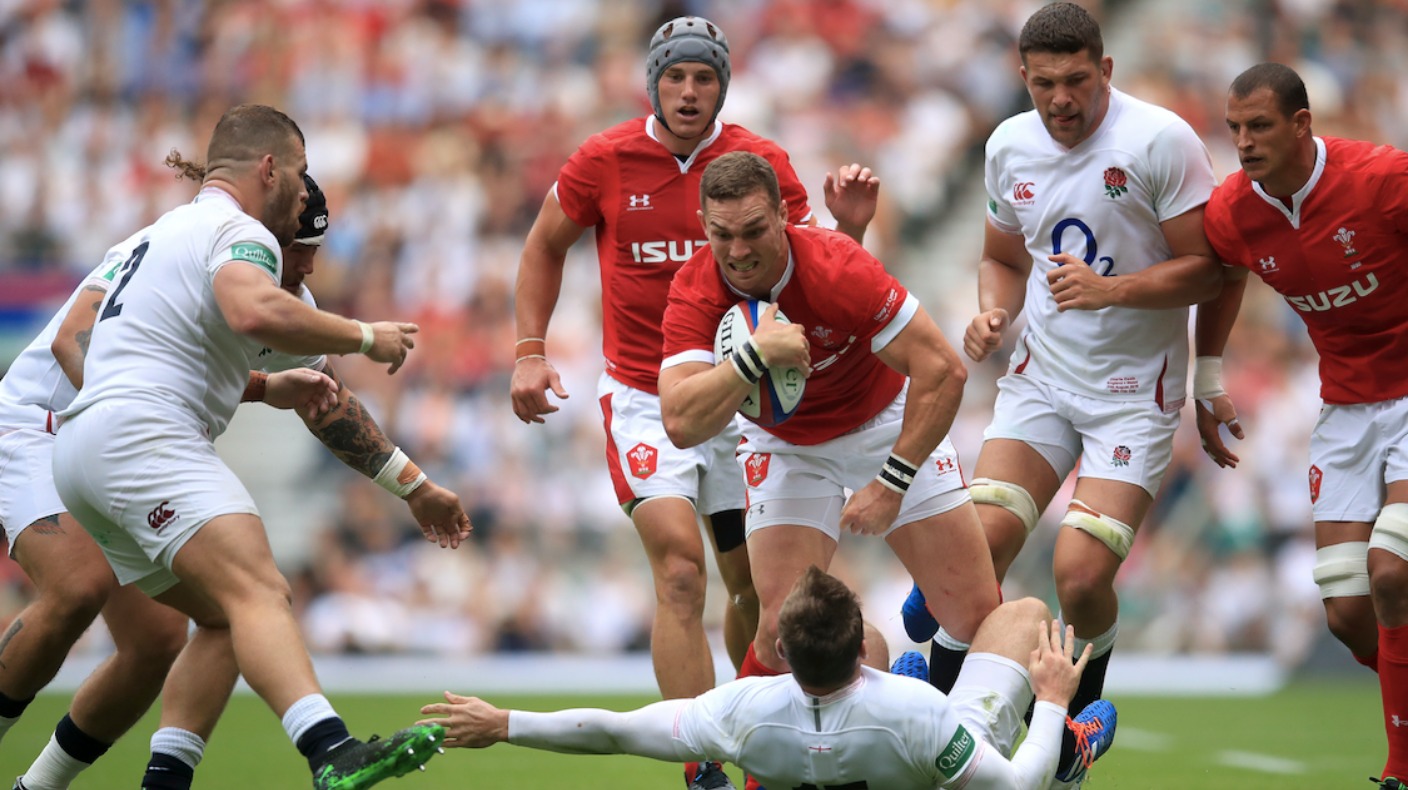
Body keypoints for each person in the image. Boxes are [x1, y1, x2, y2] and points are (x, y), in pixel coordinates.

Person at [49, 104, 469, 790]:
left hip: (80, 447)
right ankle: (331, 751)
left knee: (222, 619)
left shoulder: (149, 237)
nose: (304, 189)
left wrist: (253, 387)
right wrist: (364, 334)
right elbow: (253, 311)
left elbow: (77, 338)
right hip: (142, 434)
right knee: (260, 590)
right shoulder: (243, 235)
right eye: (300, 174)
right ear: (270, 169)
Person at [509, 15, 878, 790]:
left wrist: (850, 231)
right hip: (649, 399)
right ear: (653, 81)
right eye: (674, 76)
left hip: (744, 410)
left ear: (723, 86)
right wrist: (530, 351)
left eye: (703, 77)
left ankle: (753, 734)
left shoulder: (762, 163)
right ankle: (700, 763)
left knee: (752, 592)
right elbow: (544, 244)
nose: (688, 90)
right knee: (680, 573)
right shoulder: (604, 159)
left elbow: (812, 268)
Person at [899, 5, 1221, 784]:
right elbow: (1001, 257)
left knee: (1079, 575)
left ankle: (1075, 726)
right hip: (1041, 380)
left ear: (1106, 70)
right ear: (1023, 78)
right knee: (978, 550)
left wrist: (1116, 292)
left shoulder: (1160, 141)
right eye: (1044, 83)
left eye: (1077, 80)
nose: (1060, 99)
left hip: (1129, 394)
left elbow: (1211, 268)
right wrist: (990, 311)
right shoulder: (1009, 144)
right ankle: (938, 714)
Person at [656, 150, 1003, 790]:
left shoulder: (838, 265)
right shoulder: (694, 289)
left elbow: (944, 370)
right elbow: (679, 422)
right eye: (720, 234)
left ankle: (978, 760)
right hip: (785, 445)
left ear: (785, 217)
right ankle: (728, 775)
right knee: (780, 630)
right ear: (703, 227)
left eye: (754, 230)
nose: (737, 251)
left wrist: (893, 480)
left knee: (981, 617)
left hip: (882, 421)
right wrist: (749, 360)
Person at [417, 565, 1118, 790]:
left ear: (782, 651)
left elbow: (610, 731)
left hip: (850, 747)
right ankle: (1075, 766)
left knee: (894, 651)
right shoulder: (912, 711)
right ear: (852, 659)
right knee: (1024, 614)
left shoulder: (741, 711)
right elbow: (1015, 788)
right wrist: (1054, 704)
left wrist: (504, 723)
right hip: (926, 751)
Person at [1196, 62, 1408, 790]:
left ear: (1302, 124)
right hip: (1347, 411)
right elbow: (1222, 277)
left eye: (1259, 127)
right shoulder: (1232, 210)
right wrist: (1205, 375)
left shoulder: (1383, 179)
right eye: (1234, 129)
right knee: (1348, 612)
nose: (1244, 142)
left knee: (1392, 570)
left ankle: (1400, 769)